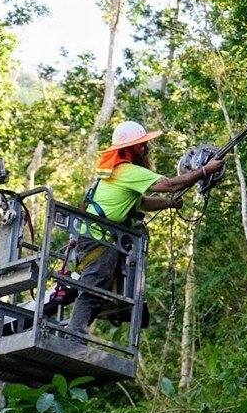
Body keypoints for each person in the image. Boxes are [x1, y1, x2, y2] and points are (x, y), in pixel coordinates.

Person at [67, 120, 224, 339]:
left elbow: (140, 203)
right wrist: (205, 170)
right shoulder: (127, 171)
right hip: (98, 239)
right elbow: (170, 185)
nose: (145, 148)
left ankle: (74, 337)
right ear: (128, 149)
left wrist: (169, 204)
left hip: (95, 237)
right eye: (141, 145)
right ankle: (74, 340)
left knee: (96, 292)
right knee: (91, 293)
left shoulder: (118, 172)